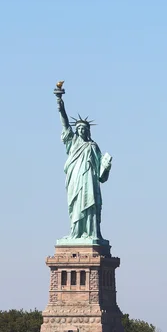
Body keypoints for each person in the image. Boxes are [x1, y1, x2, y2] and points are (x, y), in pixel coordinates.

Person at [57, 96, 112, 242]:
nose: (80, 130)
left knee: (90, 204)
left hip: (89, 180)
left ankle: (91, 232)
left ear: (88, 131)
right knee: (76, 205)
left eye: (83, 128)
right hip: (75, 178)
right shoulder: (73, 141)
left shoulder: (93, 146)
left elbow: (101, 171)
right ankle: (75, 233)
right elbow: (65, 124)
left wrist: (106, 166)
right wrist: (60, 104)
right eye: (79, 128)